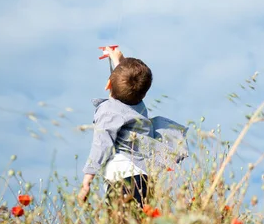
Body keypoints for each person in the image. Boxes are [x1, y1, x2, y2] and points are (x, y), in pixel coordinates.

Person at [78, 47, 188, 207]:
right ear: (144, 93)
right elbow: (127, 81)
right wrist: (117, 60)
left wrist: (87, 180)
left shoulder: (108, 112)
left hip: (122, 179)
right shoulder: (138, 106)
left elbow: (101, 145)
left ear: (108, 84)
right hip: (145, 178)